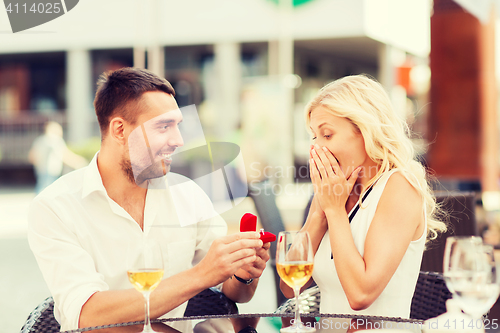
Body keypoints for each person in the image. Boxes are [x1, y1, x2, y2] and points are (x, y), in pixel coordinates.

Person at [28, 68, 270, 332]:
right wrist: (202, 275)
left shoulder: (186, 194)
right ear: (120, 130)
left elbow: (234, 294)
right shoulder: (55, 207)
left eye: (178, 126)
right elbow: (86, 314)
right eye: (164, 127)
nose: (178, 141)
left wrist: (242, 273)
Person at [280, 75, 446, 318]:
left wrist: (334, 211)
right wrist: (319, 213)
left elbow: (361, 295)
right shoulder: (334, 191)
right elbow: (290, 286)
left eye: (327, 135)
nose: (316, 148)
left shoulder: (398, 187)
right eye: (314, 136)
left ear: (365, 131)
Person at [28, 121, 87, 193]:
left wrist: (40, 164)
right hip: (51, 171)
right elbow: (65, 155)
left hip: (41, 170)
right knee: (46, 191)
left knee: (42, 189)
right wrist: (78, 161)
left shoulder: (39, 140)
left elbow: (31, 157)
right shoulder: (56, 140)